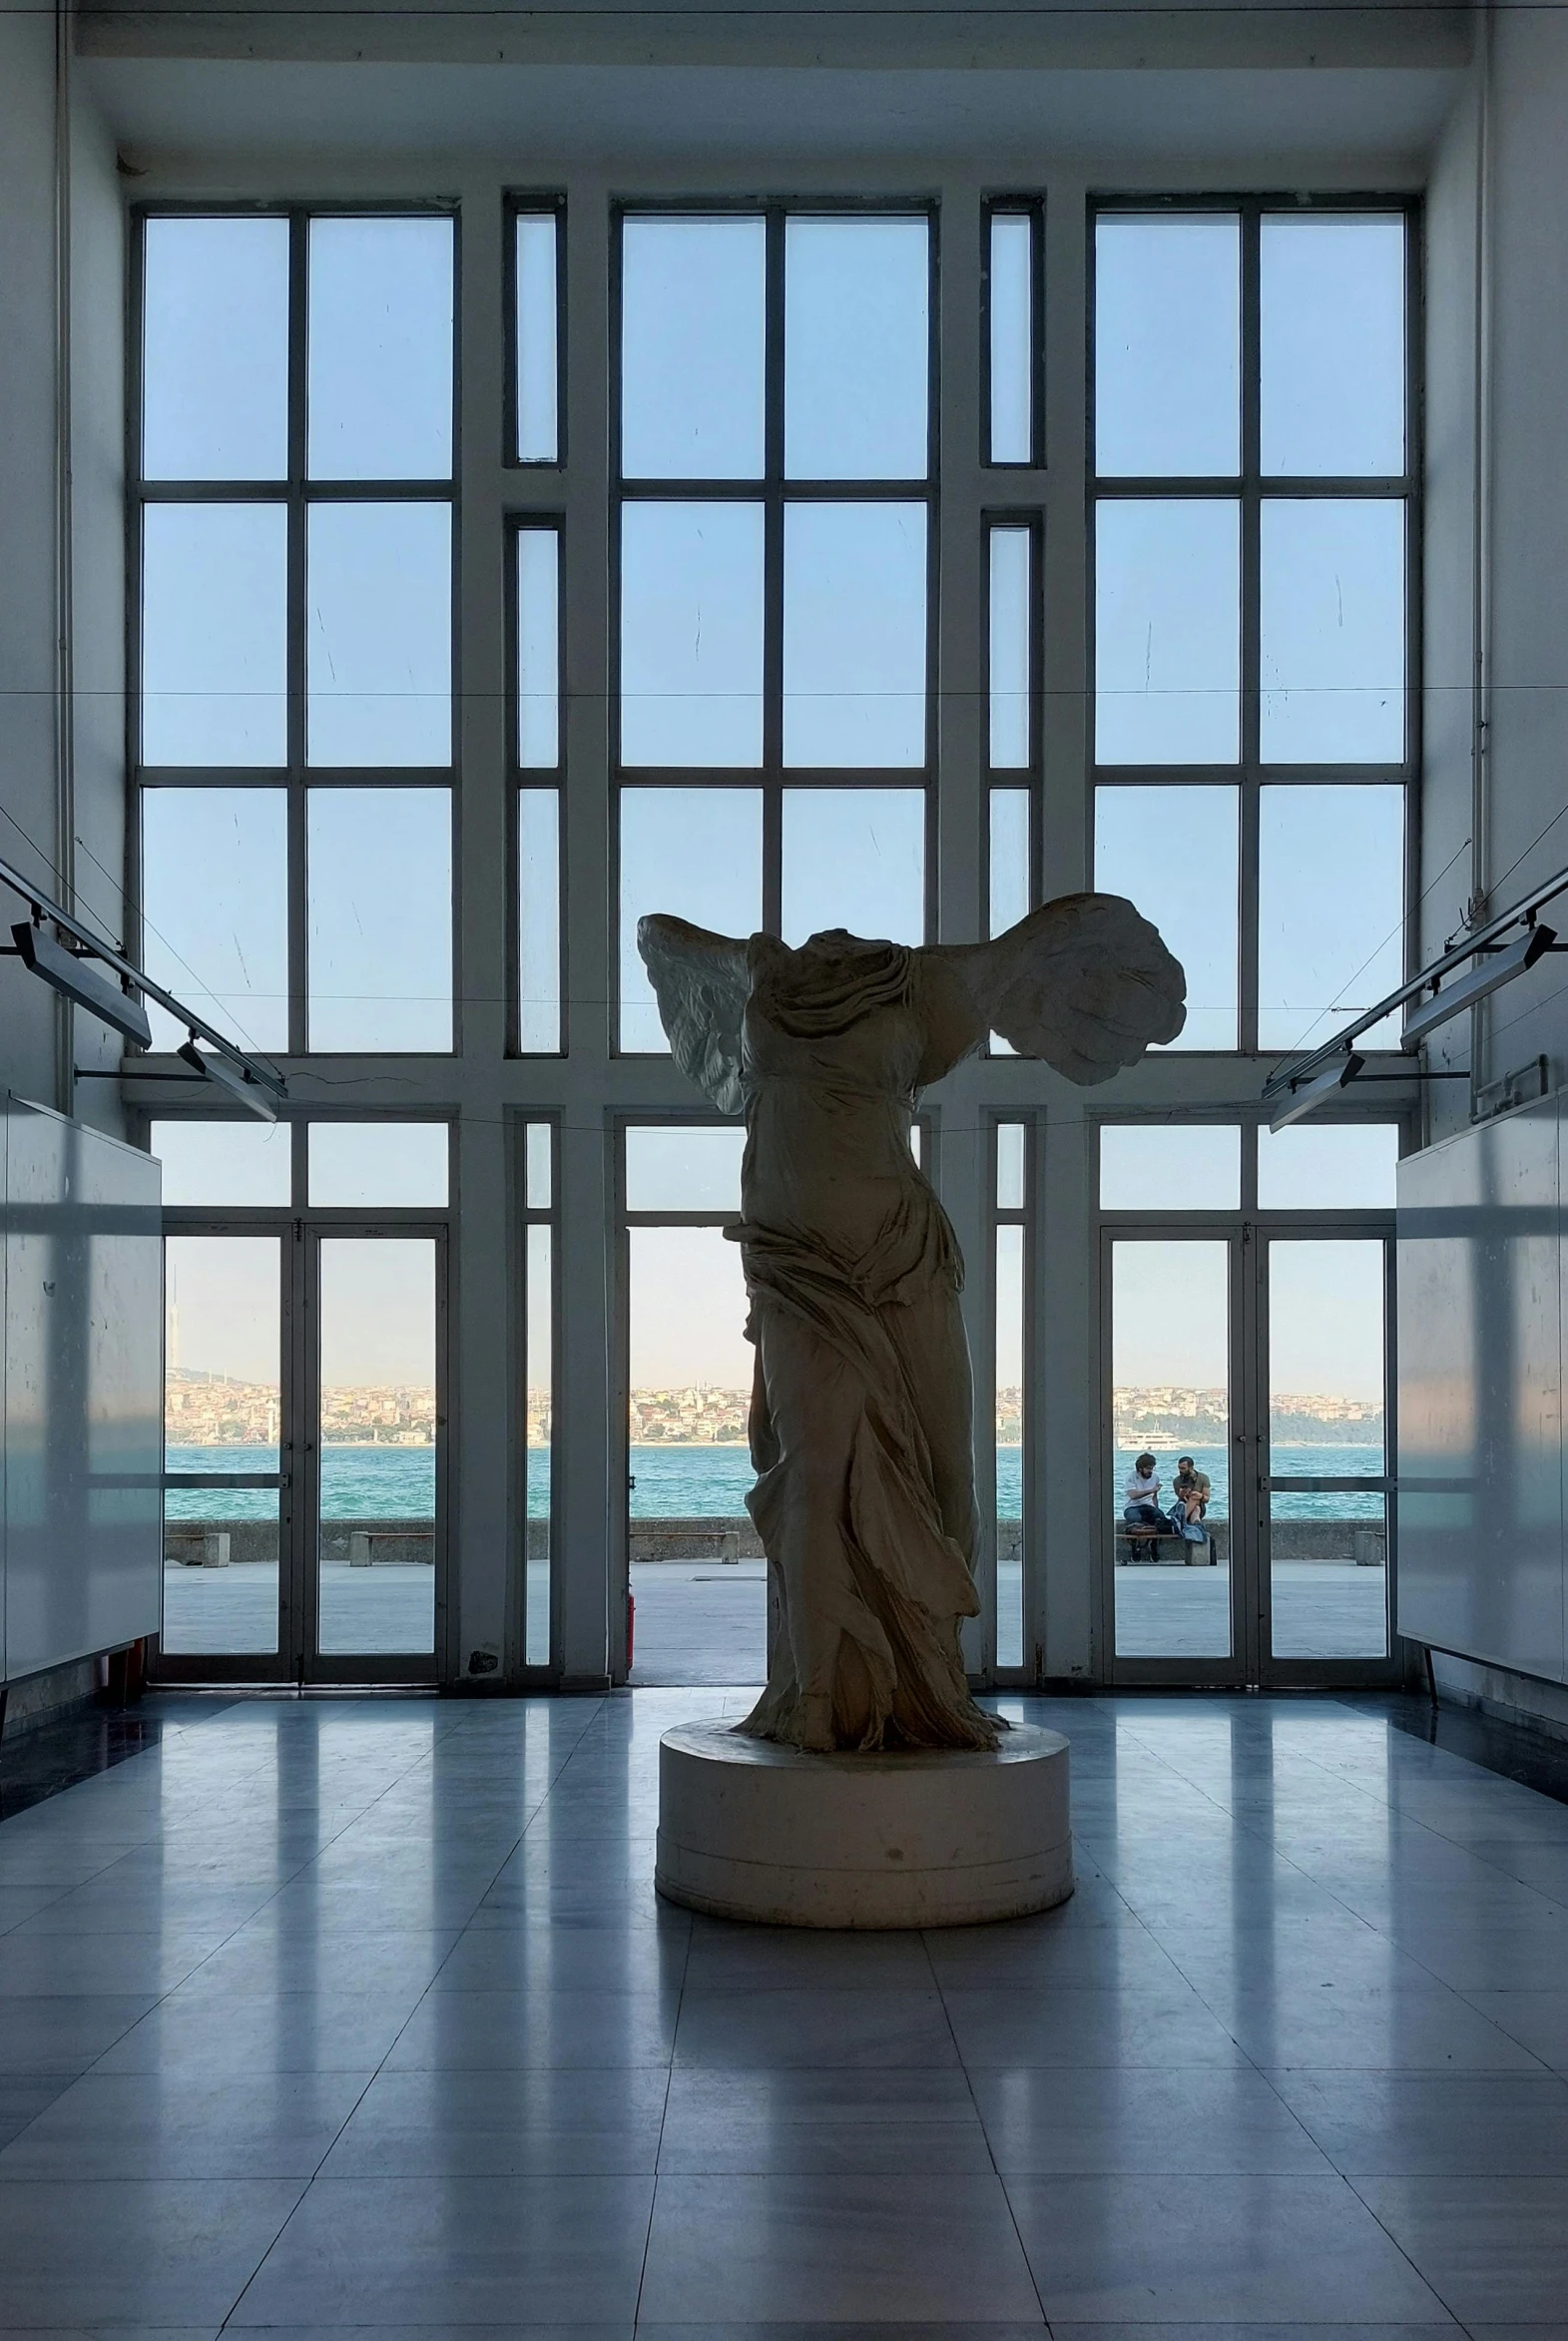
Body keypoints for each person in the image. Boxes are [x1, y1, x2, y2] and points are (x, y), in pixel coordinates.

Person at [639, 896, 1185, 1752]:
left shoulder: (931, 983)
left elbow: (1077, 957)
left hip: (901, 1255)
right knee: (810, 1475)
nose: (836, 936)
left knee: (944, 1468)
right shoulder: (759, 975)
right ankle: (818, 1691)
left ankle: (931, 1675)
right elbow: (668, 944)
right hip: (794, 1266)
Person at [1124, 1452, 1167, 1531]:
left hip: (1148, 1506)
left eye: (1152, 1468)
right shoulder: (1131, 1477)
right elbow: (1133, 1495)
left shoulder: (1155, 1477)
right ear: (1140, 1468)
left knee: (1160, 1516)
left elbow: (1154, 1497)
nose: (1150, 1471)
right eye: (1148, 1468)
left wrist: (1156, 1508)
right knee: (1134, 1517)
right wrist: (1151, 1490)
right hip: (1132, 1506)